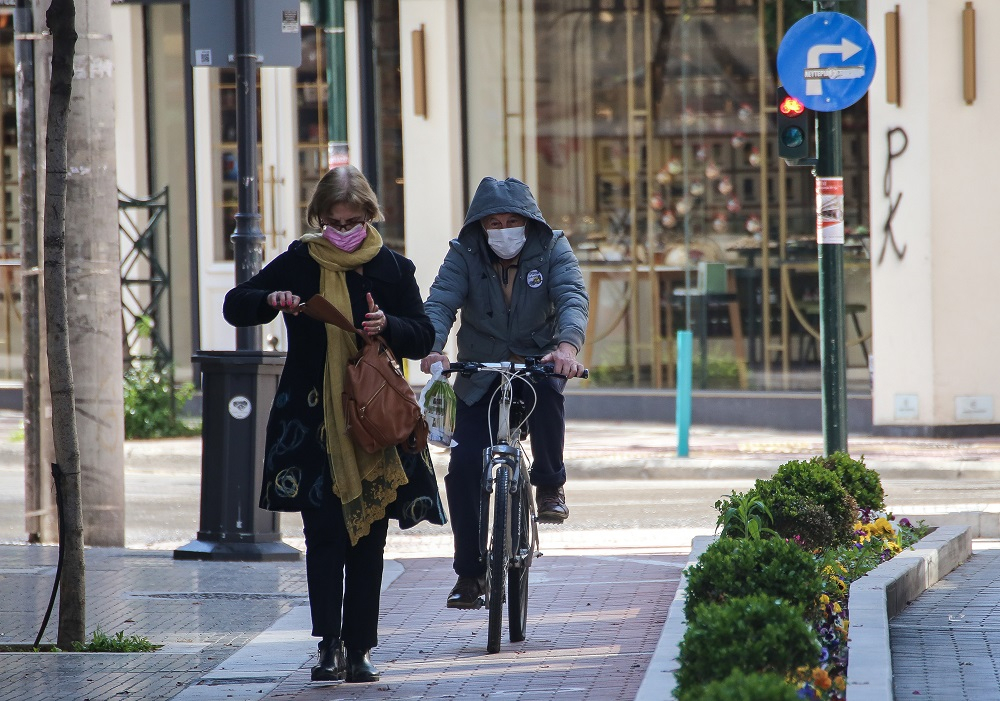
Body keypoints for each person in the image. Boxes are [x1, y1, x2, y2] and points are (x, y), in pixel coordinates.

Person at [223, 165, 435, 683]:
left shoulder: (392, 268)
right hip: (312, 420)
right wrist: (271, 301)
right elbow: (236, 305)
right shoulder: (300, 260)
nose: (343, 230)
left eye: (353, 219)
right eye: (333, 221)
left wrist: (389, 326)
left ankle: (360, 647)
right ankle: (328, 644)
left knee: (370, 536)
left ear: (370, 215)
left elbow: (424, 335)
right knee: (322, 534)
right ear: (319, 218)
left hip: (376, 423)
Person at [420, 176, 588, 609]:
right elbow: (440, 302)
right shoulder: (463, 254)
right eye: (493, 222)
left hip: (536, 363)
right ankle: (470, 575)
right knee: (462, 471)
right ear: (479, 226)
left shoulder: (553, 249)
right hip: (479, 372)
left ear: (530, 222)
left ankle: (550, 486)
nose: (503, 229)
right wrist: (433, 347)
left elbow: (572, 296)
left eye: (512, 220)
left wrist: (566, 347)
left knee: (551, 391)